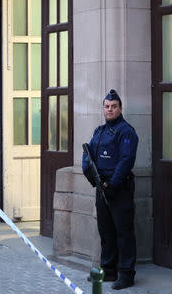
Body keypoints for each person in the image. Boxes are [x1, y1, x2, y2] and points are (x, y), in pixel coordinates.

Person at [82, 89, 139, 290]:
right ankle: (108, 270)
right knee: (106, 231)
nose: (110, 109)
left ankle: (126, 274)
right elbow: (87, 154)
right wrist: (92, 178)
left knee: (123, 233)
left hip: (119, 188)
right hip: (101, 187)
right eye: (107, 106)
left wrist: (112, 184)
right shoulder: (99, 131)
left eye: (114, 106)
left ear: (120, 108)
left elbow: (126, 161)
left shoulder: (126, 131)